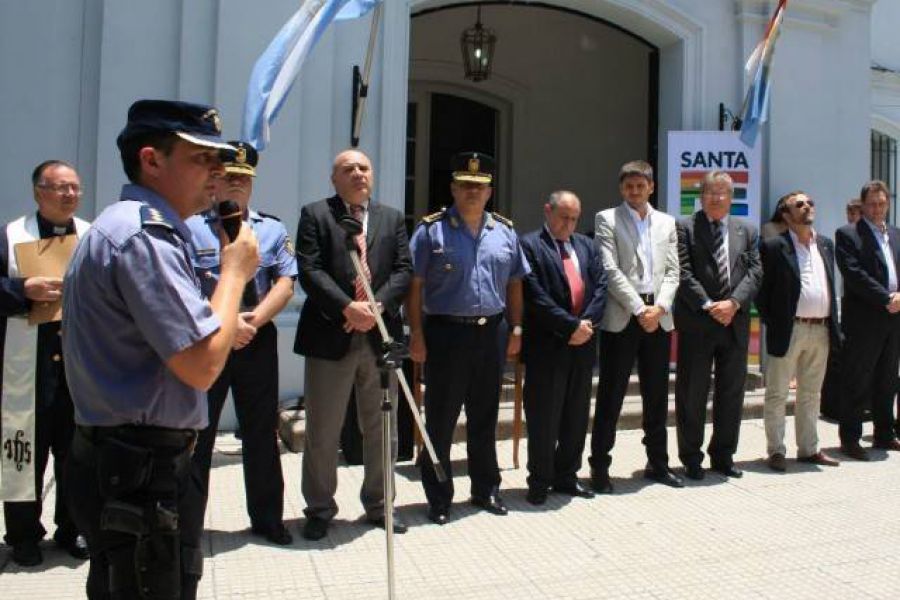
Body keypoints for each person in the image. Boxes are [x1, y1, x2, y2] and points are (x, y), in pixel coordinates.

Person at [62, 99, 259, 599]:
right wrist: (235, 273)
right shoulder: (143, 236)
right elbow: (200, 365)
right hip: (136, 468)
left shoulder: (133, 225)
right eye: (201, 158)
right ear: (152, 160)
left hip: (127, 460)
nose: (218, 173)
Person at [294, 149, 412, 541]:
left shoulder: (392, 218)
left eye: (363, 168)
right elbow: (309, 269)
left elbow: (403, 270)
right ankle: (320, 508)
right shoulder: (316, 214)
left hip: (380, 338)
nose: (358, 174)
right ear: (334, 178)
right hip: (332, 334)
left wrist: (377, 306)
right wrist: (347, 306)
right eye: (348, 169)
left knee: (382, 428)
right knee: (323, 430)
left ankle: (381, 505)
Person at [408, 151, 529, 525]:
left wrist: (517, 327)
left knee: (484, 415)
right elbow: (414, 288)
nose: (472, 192)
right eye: (465, 185)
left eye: (479, 186)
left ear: (490, 190)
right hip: (445, 332)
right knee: (441, 420)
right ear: (453, 189)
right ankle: (439, 497)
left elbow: (514, 284)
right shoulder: (431, 231)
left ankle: (485, 488)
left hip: (491, 332)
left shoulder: (505, 231)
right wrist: (416, 335)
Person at [187, 141, 295, 545]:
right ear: (214, 181)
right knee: (199, 434)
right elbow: (183, 285)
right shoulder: (189, 227)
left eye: (243, 179)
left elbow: (285, 281)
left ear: (252, 184)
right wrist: (228, 324)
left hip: (256, 338)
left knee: (261, 431)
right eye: (228, 177)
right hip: (207, 339)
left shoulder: (272, 229)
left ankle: (268, 519)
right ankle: (187, 522)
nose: (236, 185)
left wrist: (253, 321)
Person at [0, 160, 90, 566]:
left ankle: (75, 528)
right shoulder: (10, 235)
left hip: (78, 366)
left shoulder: (92, 235)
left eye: (75, 188)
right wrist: (23, 289)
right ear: (38, 192)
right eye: (59, 188)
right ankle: (23, 534)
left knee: (78, 453)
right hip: (28, 365)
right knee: (23, 451)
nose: (69, 195)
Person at [590, 160, 683, 493]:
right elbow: (610, 269)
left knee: (657, 395)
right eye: (628, 186)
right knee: (611, 395)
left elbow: (674, 271)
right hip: (624, 315)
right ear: (621, 188)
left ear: (651, 187)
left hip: (658, 316)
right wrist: (639, 308)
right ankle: (600, 466)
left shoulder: (667, 222)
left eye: (640, 185)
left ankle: (658, 463)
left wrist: (659, 307)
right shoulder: (607, 219)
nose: (634, 191)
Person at [673, 170, 762, 480]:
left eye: (723, 192)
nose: (717, 197)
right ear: (701, 196)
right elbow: (683, 273)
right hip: (699, 323)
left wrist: (734, 303)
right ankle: (691, 457)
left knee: (731, 394)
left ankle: (723, 455)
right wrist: (710, 306)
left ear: (731, 196)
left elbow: (755, 272)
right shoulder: (684, 227)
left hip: (734, 323)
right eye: (710, 191)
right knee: (692, 393)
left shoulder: (747, 230)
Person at [520, 191, 606, 505]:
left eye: (573, 218)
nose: (568, 224)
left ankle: (567, 476)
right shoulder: (529, 245)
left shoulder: (587, 245)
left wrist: (585, 325)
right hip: (548, 345)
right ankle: (540, 480)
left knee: (575, 415)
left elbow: (600, 288)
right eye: (563, 217)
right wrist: (569, 326)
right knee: (544, 416)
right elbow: (534, 295)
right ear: (548, 211)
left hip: (583, 345)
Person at [757, 191, 841, 472]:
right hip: (790, 328)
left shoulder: (826, 245)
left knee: (811, 394)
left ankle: (808, 449)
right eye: (799, 205)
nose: (807, 208)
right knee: (778, 392)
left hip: (821, 329)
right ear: (786, 215)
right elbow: (762, 292)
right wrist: (775, 321)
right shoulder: (774, 246)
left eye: (810, 203)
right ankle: (776, 451)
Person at [835, 180, 900, 460]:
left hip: (894, 319)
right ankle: (850, 438)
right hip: (864, 320)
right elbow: (854, 274)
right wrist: (887, 298)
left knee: (887, 379)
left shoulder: (896, 234)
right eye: (872, 203)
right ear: (863, 205)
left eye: (882, 203)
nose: (877, 208)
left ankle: (885, 434)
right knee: (857, 379)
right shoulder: (849, 234)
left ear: (888, 204)